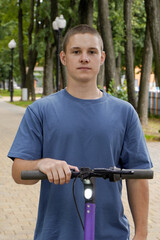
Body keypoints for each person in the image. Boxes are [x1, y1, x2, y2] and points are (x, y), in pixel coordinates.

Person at [8, 24, 152, 240]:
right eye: (76, 51)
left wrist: (141, 234)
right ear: (64, 57)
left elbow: (138, 176)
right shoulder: (40, 110)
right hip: (55, 234)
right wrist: (41, 164)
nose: (84, 58)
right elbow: (19, 173)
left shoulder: (125, 112)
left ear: (102, 58)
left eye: (91, 52)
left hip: (111, 234)